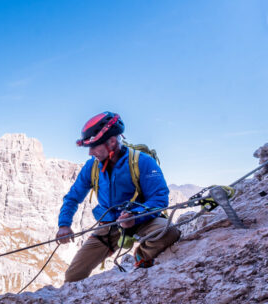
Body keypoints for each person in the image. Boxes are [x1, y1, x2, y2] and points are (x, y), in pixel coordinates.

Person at [56, 112, 180, 282]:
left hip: (143, 221)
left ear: (112, 142)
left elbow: (159, 198)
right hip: (109, 226)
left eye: (94, 146)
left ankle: (141, 258)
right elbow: (72, 197)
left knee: (169, 231)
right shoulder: (92, 167)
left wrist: (134, 216)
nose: (90, 153)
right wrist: (64, 224)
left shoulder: (142, 162)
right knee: (73, 275)